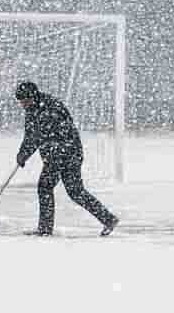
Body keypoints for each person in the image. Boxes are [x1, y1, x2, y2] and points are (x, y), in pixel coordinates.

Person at [14, 80, 118, 237]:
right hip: (62, 154)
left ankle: (45, 229)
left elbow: (40, 135)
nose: (23, 104)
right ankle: (108, 219)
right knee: (75, 191)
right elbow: (31, 136)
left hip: (64, 154)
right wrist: (22, 154)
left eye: (25, 100)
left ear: (33, 96)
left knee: (46, 187)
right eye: (20, 101)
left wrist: (31, 152)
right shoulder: (33, 109)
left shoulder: (50, 108)